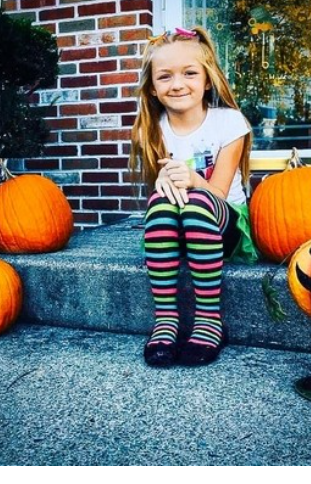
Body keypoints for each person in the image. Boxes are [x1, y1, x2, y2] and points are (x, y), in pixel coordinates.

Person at [129, 26, 258, 367]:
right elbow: (162, 192)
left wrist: (192, 179)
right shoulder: (152, 128)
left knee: (198, 200)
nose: (177, 84)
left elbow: (217, 192)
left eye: (189, 73)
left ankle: (208, 320)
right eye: (165, 76)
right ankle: (166, 320)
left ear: (207, 79)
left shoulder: (230, 124)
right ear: (153, 88)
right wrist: (163, 182)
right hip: (179, 231)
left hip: (223, 227)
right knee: (161, 202)